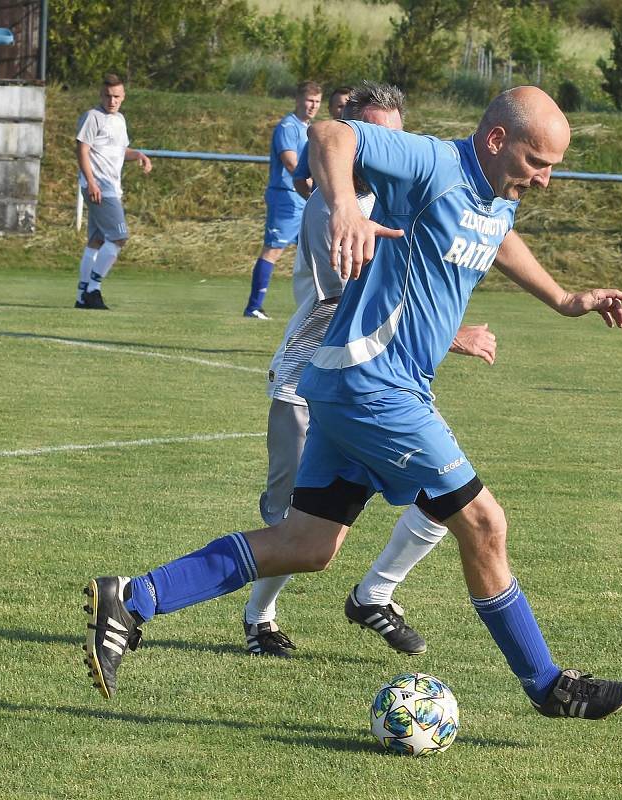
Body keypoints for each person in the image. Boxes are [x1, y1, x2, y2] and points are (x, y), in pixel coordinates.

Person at [83, 87, 622, 723]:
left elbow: (496, 238)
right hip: (374, 383)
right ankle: (548, 685)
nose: (545, 180)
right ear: (496, 140)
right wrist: (344, 205)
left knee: (308, 543)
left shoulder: (494, 199)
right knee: (484, 524)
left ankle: (132, 598)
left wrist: (566, 299)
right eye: (539, 162)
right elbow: (328, 135)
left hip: (359, 386)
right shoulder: (434, 163)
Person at [244, 82, 498, 659]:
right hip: (309, 376)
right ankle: (260, 616)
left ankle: (376, 594)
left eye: (394, 135)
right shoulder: (330, 205)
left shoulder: (405, 198)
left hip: (376, 379)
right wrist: (452, 334)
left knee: (446, 491)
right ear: (351, 138)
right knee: (292, 522)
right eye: (371, 134)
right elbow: (350, 298)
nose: (384, 146)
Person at [242, 80, 323, 320]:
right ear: (298, 100)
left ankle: (318, 307)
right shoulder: (288, 126)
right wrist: (314, 186)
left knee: (314, 254)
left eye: (317, 102)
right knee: (273, 249)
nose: (313, 106)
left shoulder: (307, 128)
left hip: (303, 199)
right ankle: (253, 306)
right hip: (287, 197)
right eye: (309, 100)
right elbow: (291, 163)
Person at [74, 74, 152, 310]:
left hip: (110, 187)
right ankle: (93, 290)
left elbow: (120, 150)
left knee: (96, 241)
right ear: (101, 95)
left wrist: (138, 155)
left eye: (116, 96)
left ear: (123, 97)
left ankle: (81, 295)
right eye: (108, 96)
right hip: (100, 188)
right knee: (119, 237)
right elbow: (82, 149)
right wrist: (91, 181)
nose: (112, 100)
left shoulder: (119, 120)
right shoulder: (92, 117)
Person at [293, 86, 352, 200]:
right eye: (340, 106)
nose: (345, 111)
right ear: (330, 109)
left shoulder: (366, 139)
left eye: (348, 106)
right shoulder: (319, 139)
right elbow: (299, 179)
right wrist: (315, 203)